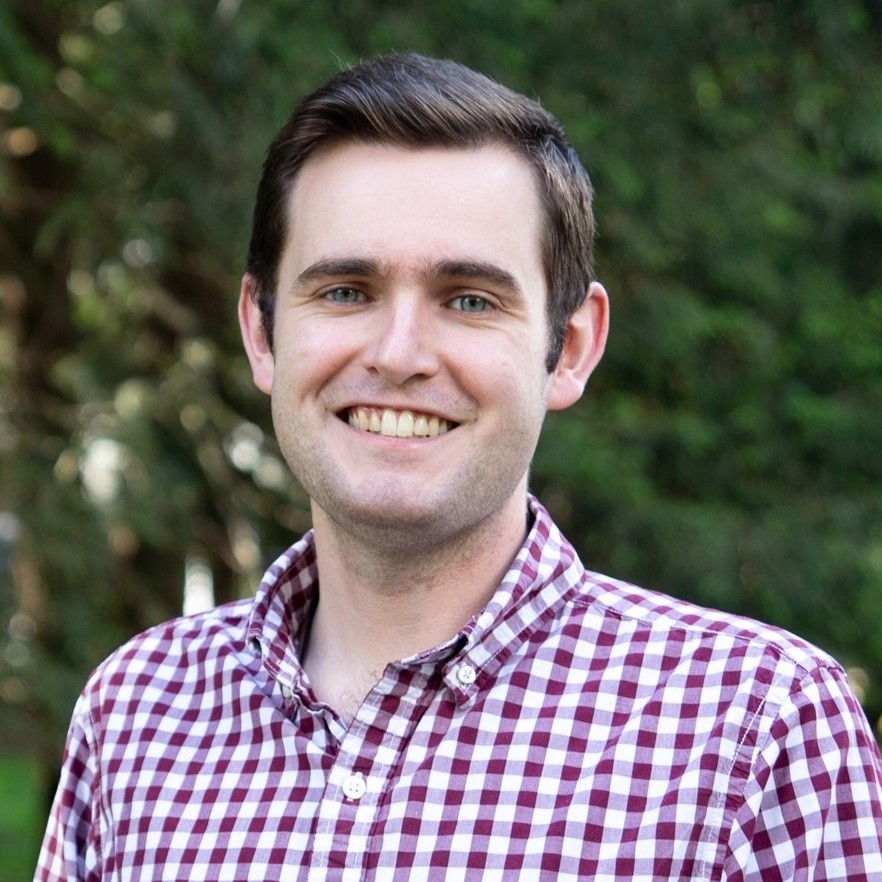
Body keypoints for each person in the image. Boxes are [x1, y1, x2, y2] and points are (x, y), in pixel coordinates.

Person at [36, 53, 882, 882]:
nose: (399, 354)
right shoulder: (138, 714)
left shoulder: (758, 732)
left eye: (469, 300)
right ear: (261, 331)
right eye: (345, 291)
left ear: (570, 347)